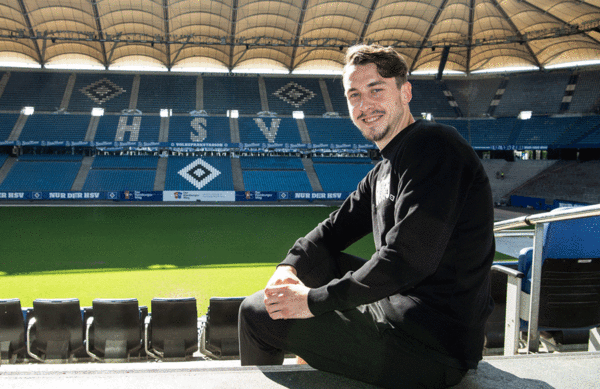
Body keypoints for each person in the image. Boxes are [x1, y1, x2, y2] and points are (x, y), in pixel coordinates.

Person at [238, 44, 495, 389]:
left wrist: (311, 302)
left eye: (376, 90)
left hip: (431, 347)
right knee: (310, 267)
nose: (364, 105)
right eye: (354, 95)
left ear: (405, 92)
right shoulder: (386, 167)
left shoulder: (435, 146)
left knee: (256, 312)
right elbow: (332, 231)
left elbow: (407, 261)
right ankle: (304, 358)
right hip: (399, 311)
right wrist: (288, 268)